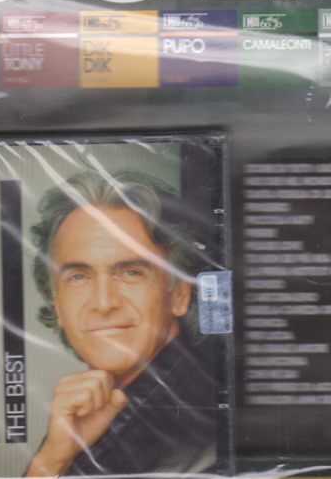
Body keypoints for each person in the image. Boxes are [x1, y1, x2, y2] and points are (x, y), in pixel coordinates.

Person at [26, 171, 219, 477]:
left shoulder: (197, 420)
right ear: (57, 303)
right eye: (78, 276)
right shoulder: (114, 410)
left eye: (131, 272)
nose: (104, 303)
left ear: (179, 293)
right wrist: (51, 460)